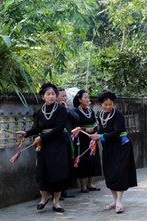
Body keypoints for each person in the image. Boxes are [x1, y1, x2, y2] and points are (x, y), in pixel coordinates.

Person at [16, 83, 69, 212]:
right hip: (43, 146)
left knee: (57, 172)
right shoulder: (40, 111)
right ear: (42, 97)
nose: (51, 97)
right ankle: (44, 199)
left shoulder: (61, 109)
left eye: (53, 94)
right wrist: (27, 133)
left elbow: (59, 128)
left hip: (57, 145)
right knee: (41, 172)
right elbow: (37, 128)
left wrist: (42, 137)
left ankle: (56, 202)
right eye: (48, 94)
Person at [89, 90, 137, 214]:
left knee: (119, 173)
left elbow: (116, 132)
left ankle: (120, 201)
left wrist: (100, 137)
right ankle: (114, 201)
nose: (108, 106)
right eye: (105, 104)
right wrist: (95, 135)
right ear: (101, 104)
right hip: (108, 147)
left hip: (121, 147)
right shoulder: (100, 114)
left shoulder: (118, 114)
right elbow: (101, 129)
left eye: (110, 104)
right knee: (110, 173)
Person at [72, 90, 102, 193]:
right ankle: (83, 186)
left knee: (93, 160)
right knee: (83, 161)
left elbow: (95, 123)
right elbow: (73, 128)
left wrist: (95, 133)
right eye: (85, 98)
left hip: (92, 139)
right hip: (81, 140)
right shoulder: (75, 112)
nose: (88, 99)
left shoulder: (91, 111)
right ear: (79, 99)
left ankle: (90, 183)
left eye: (88, 98)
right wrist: (85, 130)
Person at [56, 87, 78, 199]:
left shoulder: (67, 109)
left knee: (68, 165)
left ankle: (64, 190)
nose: (65, 98)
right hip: (57, 142)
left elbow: (77, 118)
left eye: (65, 96)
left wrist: (67, 110)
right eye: (63, 96)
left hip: (68, 140)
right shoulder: (53, 110)